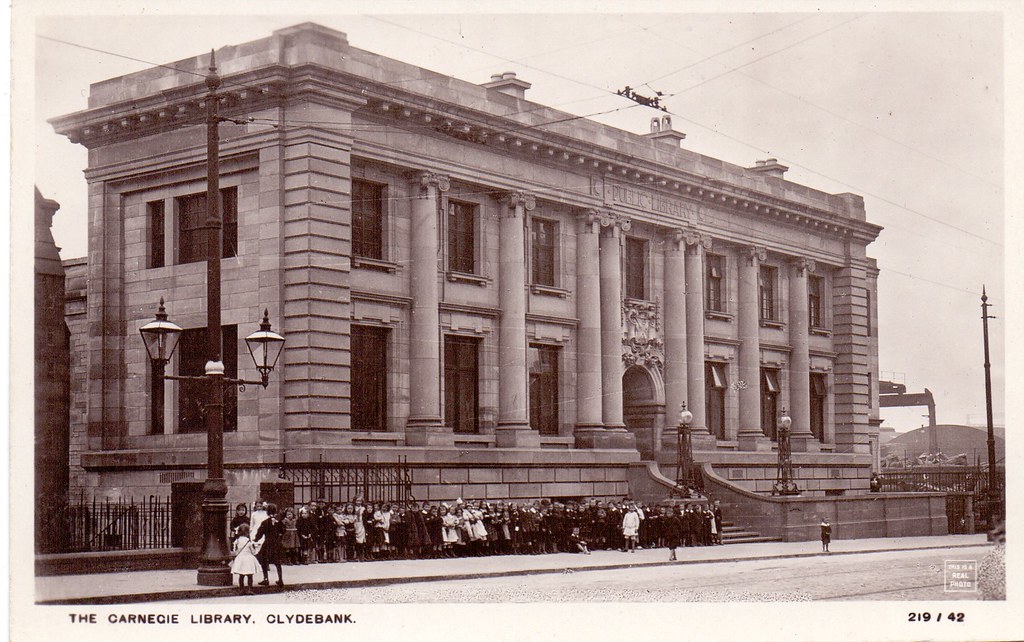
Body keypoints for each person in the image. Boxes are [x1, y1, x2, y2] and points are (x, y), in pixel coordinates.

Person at [255, 503, 285, 586]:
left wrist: (255, 539)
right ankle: (280, 579)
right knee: (277, 562)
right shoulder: (278, 522)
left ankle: (266, 579)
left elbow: (259, 533)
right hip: (277, 544)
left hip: (268, 544)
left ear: (267, 512)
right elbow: (283, 531)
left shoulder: (265, 522)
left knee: (264, 561)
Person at [230, 523, 259, 594]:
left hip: (240, 559)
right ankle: (250, 589)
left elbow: (235, 550)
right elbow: (254, 552)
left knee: (241, 575)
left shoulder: (237, 541)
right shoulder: (249, 542)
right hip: (248, 559)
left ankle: (241, 589)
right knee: (250, 575)